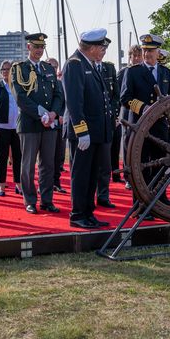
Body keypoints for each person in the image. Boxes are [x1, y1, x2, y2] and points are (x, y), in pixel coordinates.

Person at [63, 28, 113, 229]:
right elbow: (75, 102)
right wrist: (82, 131)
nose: (103, 50)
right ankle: (77, 215)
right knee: (81, 175)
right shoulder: (74, 64)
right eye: (102, 47)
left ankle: (88, 213)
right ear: (91, 47)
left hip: (96, 133)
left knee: (92, 175)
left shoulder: (90, 64)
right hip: (83, 133)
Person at [10, 32, 64, 214]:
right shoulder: (19, 68)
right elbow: (21, 98)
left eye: (42, 47)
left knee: (48, 164)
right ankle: (30, 200)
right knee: (28, 165)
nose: (39, 50)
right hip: (30, 124)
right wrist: (42, 114)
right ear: (29, 47)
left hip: (49, 124)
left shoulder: (49, 69)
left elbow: (58, 94)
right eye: (36, 47)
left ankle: (47, 200)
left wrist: (54, 113)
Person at [121, 34, 170, 212]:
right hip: (139, 126)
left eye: (151, 51)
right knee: (141, 165)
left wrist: (169, 118)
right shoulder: (133, 72)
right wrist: (144, 109)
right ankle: (140, 203)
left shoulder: (166, 73)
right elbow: (125, 98)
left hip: (160, 127)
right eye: (144, 50)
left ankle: (160, 197)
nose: (147, 54)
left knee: (161, 163)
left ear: (158, 52)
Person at [0, 60, 22, 197]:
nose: (7, 72)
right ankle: (1, 186)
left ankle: (18, 184)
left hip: (17, 127)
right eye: (5, 69)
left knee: (18, 156)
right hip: (1, 127)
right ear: (1, 72)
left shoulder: (19, 87)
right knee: (1, 157)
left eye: (10, 69)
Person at [94, 41, 118, 209]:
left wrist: (112, 113)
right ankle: (89, 197)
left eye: (105, 49)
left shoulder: (109, 69)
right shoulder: (85, 67)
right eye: (100, 48)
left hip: (107, 122)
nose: (102, 51)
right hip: (92, 122)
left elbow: (116, 95)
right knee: (91, 163)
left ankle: (103, 196)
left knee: (105, 162)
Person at [115, 45, 143, 188]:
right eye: (134, 56)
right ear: (130, 57)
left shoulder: (146, 72)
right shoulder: (123, 72)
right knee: (128, 144)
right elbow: (119, 96)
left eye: (139, 55)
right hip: (127, 113)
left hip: (143, 114)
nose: (137, 58)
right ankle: (128, 177)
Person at [46, 57, 67, 195]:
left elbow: (65, 102)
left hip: (59, 125)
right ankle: (47, 185)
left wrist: (61, 115)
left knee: (59, 156)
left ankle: (56, 183)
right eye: (50, 66)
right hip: (46, 125)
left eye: (55, 66)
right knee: (47, 158)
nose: (53, 68)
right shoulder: (43, 82)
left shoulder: (61, 84)